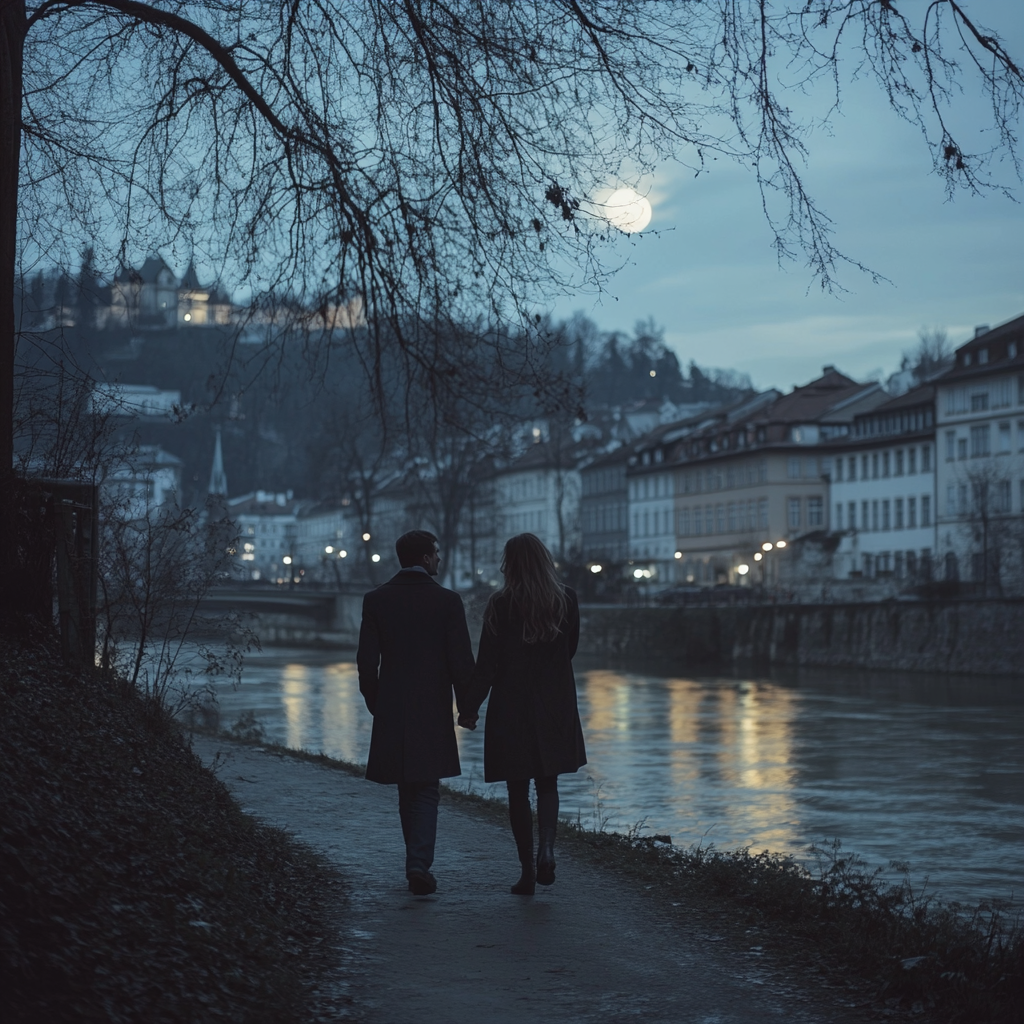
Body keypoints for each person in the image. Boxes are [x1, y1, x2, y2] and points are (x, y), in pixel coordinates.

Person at [461, 533, 587, 895]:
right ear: (545, 560)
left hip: (511, 706)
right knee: (548, 783)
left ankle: (527, 872)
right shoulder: (567, 599)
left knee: (518, 789)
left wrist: (469, 708)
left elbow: (486, 664)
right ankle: (547, 849)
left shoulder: (501, 604)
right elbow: (570, 648)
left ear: (509, 564)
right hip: (555, 704)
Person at [356, 529, 476, 896]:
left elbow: (366, 662)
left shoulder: (376, 599)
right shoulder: (447, 601)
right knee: (425, 787)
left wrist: (377, 702)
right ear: (425, 559)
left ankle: (416, 861)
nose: (439, 558)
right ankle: (418, 864)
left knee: (407, 787)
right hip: (432, 705)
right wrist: (467, 708)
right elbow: (461, 662)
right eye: (436, 553)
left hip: (393, 704)